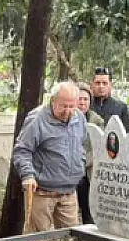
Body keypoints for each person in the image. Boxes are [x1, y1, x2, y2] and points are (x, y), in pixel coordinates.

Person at [14, 81, 89, 232]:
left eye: (71, 106)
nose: (68, 111)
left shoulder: (79, 118)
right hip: (42, 193)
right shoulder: (37, 119)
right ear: (53, 101)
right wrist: (27, 175)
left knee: (72, 240)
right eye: (63, 106)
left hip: (69, 192)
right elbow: (22, 150)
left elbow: (82, 146)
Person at [76, 84, 104, 223]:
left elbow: (99, 147)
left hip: (90, 171)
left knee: (89, 211)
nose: (82, 103)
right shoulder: (66, 120)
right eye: (79, 99)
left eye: (85, 99)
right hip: (71, 171)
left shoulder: (97, 122)